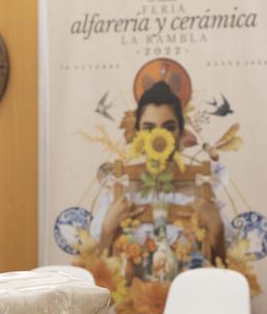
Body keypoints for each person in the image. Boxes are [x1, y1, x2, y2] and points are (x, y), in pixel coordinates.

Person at [96, 80, 226, 261]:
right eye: (149, 129)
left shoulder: (202, 188)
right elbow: (95, 273)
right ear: (137, 133)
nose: (158, 137)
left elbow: (228, 274)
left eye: (169, 128)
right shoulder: (119, 192)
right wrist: (107, 229)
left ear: (181, 132)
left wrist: (217, 227)